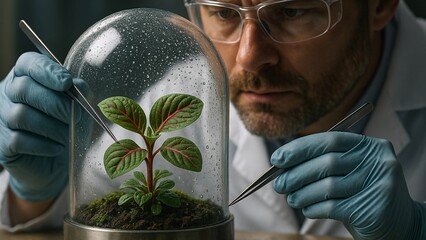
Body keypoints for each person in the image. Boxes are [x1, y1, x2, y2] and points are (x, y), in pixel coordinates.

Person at [0, 0, 425, 238]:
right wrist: (34, 192)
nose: (249, 57)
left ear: (380, 5)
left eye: (292, 12)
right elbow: (91, 213)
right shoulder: (183, 97)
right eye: (223, 13)